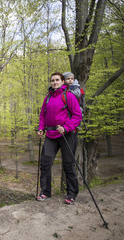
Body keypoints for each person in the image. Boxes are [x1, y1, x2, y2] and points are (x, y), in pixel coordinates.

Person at [37, 72, 82, 205]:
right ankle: (45, 192)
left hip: (66, 134)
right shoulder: (48, 98)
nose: (54, 82)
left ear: (63, 82)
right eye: (52, 80)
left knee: (68, 165)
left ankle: (72, 194)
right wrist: (41, 128)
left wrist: (66, 127)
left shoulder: (69, 96)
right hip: (51, 135)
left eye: (57, 80)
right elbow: (42, 115)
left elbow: (77, 116)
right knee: (45, 163)